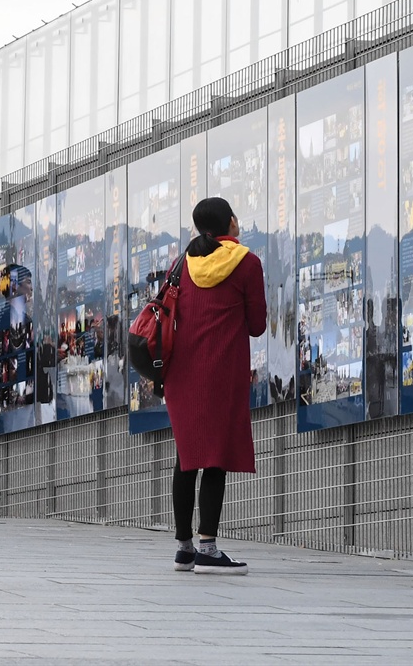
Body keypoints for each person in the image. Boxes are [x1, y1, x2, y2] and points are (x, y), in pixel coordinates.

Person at [163, 197, 267, 574]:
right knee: (215, 459)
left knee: (186, 457)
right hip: (222, 373)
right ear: (230, 222)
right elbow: (257, 325)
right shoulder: (247, 263)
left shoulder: (182, 264)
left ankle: (184, 548)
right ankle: (208, 548)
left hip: (181, 375)